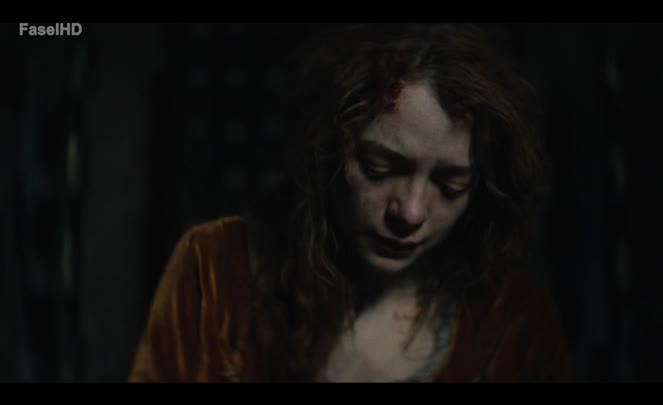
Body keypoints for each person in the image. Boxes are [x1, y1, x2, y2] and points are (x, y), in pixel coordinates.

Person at [129, 23, 571, 382]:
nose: (410, 212)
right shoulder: (215, 269)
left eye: (451, 185)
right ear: (327, 150)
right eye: (380, 168)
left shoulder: (514, 321)